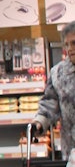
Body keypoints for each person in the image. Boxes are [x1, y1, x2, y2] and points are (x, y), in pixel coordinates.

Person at [31, 21, 75, 158]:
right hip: (72, 150)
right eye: (67, 44)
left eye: (74, 43)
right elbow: (50, 104)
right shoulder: (58, 73)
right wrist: (39, 123)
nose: (70, 49)